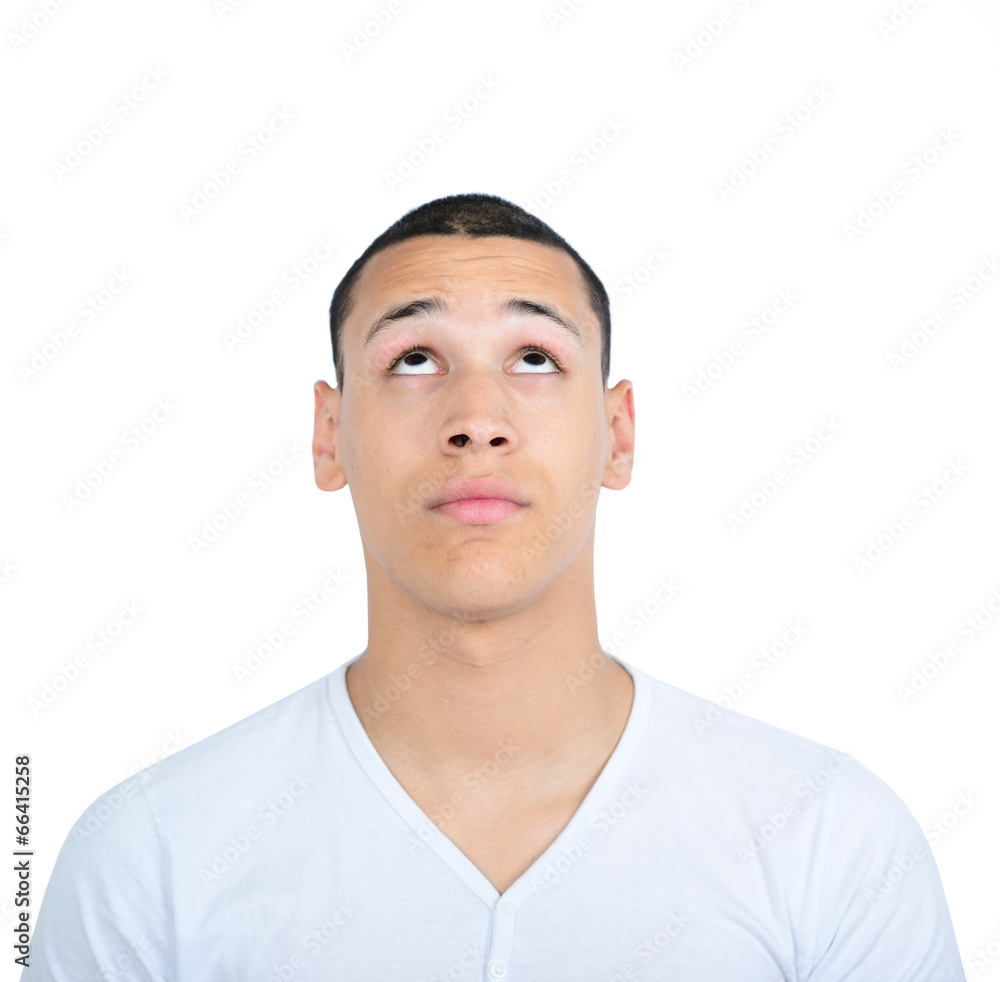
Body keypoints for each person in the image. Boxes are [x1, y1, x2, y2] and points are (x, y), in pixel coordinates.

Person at [22, 193, 965, 980]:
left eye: (534, 359)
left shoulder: (832, 842)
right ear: (329, 433)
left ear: (618, 433)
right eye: (415, 360)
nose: (477, 419)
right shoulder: (148, 859)